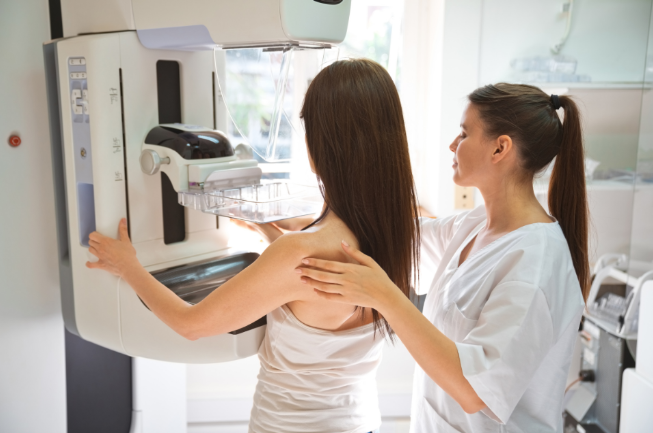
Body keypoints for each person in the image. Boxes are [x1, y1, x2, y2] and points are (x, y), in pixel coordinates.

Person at [84, 58, 420, 433]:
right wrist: (267, 230)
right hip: (361, 423)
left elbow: (191, 325)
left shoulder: (298, 253)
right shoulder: (395, 231)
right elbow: (317, 285)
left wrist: (129, 265)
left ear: (321, 147)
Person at [296, 84, 588, 432]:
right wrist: (282, 225)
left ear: (500, 147)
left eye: (464, 133)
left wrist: (385, 296)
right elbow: (397, 239)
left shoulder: (535, 264)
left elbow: (474, 391)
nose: (453, 144)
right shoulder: (476, 225)